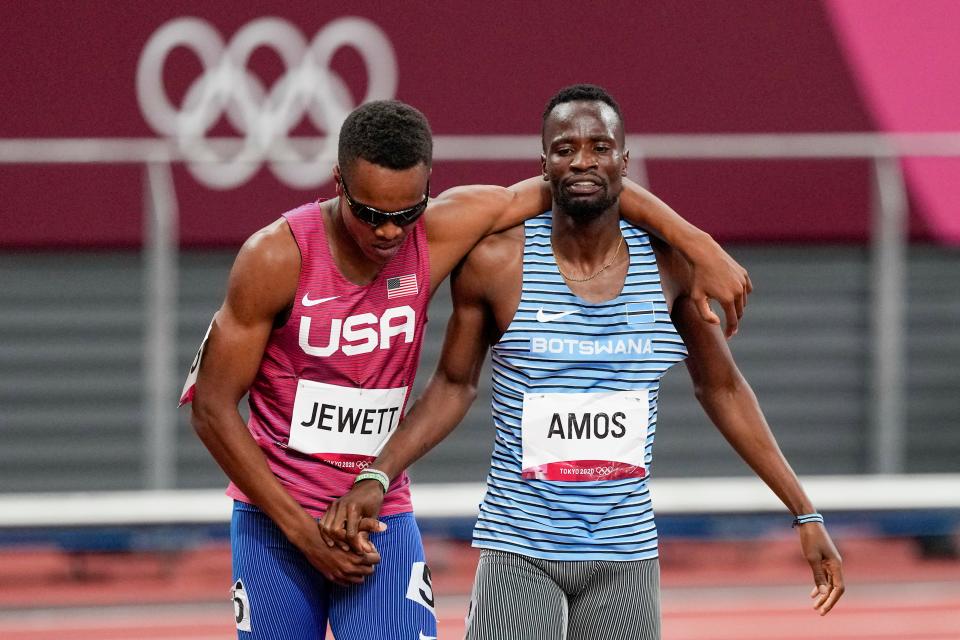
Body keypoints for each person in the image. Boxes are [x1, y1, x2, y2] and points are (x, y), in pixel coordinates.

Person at [181, 98, 751, 640]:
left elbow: (584, 183)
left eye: (405, 212)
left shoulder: (437, 233)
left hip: (377, 514)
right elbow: (211, 408)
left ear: (428, 190)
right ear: (338, 184)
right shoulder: (275, 257)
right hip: (275, 520)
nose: (387, 232)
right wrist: (305, 535)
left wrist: (700, 246)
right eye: (370, 214)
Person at [325, 86, 844, 639]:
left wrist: (804, 511)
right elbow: (453, 385)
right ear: (542, 164)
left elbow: (724, 390)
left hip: (625, 557)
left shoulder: (670, 267)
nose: (582, 161)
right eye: (564, 148)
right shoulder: (497, 263)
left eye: (600, 147)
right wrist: (379, 472)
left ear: (625, 159)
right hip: (519, 550)